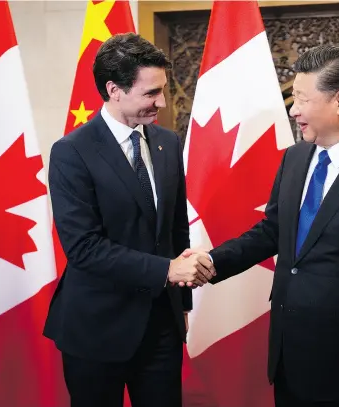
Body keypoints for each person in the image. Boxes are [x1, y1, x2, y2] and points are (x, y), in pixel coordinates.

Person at [184, 45, 339, 406]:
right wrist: (211, 261)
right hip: (289, 352)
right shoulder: (295, 158)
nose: (293, 109)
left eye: (301, 98)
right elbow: (272, 231)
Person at [44, 33, 215, 407]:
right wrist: (167, 272)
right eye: (151, 93)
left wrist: (182, 304)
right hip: (96, 329)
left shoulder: (167, 143)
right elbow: (84, 249)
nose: (163, 103)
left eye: (163, 90)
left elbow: (175, 230)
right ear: (114, 90)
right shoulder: (72, 152)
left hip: (161, 327)